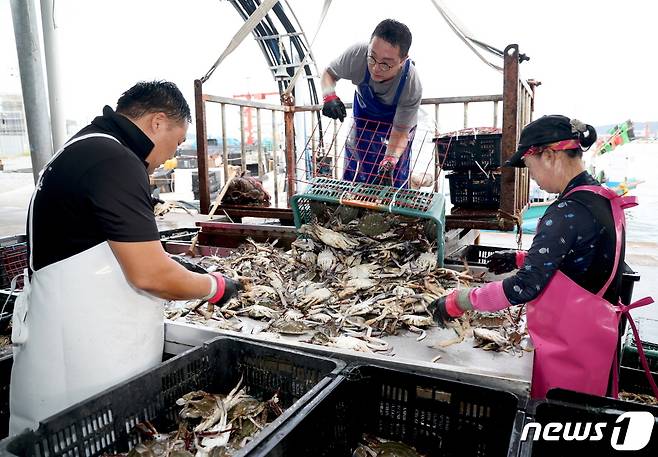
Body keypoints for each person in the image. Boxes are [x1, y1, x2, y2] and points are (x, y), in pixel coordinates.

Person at [9, 81, 241, 434]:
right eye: (177, 142)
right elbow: (150, 275)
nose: (168, 156)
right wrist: (216, 286)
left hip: (68, 348)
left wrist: (180, 267)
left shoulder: (82, 149)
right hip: (84, 369)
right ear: (157, 122)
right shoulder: (116, 160)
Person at [430, 114, 655, 399]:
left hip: (567, 351)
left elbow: (525, 287)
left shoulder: (564, 212)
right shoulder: (603, 198)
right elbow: (586, 259)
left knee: (556, 419)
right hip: (596, 339)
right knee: (580, 421)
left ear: (549, 155)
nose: (530, 174)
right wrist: (522, 258)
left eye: (528, 165)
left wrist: (458, 300)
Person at [320, 19, 422, 188]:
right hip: (363, 120)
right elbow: (329, 73)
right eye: (372, 58)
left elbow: (400, 131)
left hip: (395, 127)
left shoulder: (411, 84)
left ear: (403, 60)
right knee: (357, 170)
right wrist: (329, 96)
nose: (375, 68)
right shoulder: (357, 54)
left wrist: (389, 160)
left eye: (385, 64)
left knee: (394, 174)